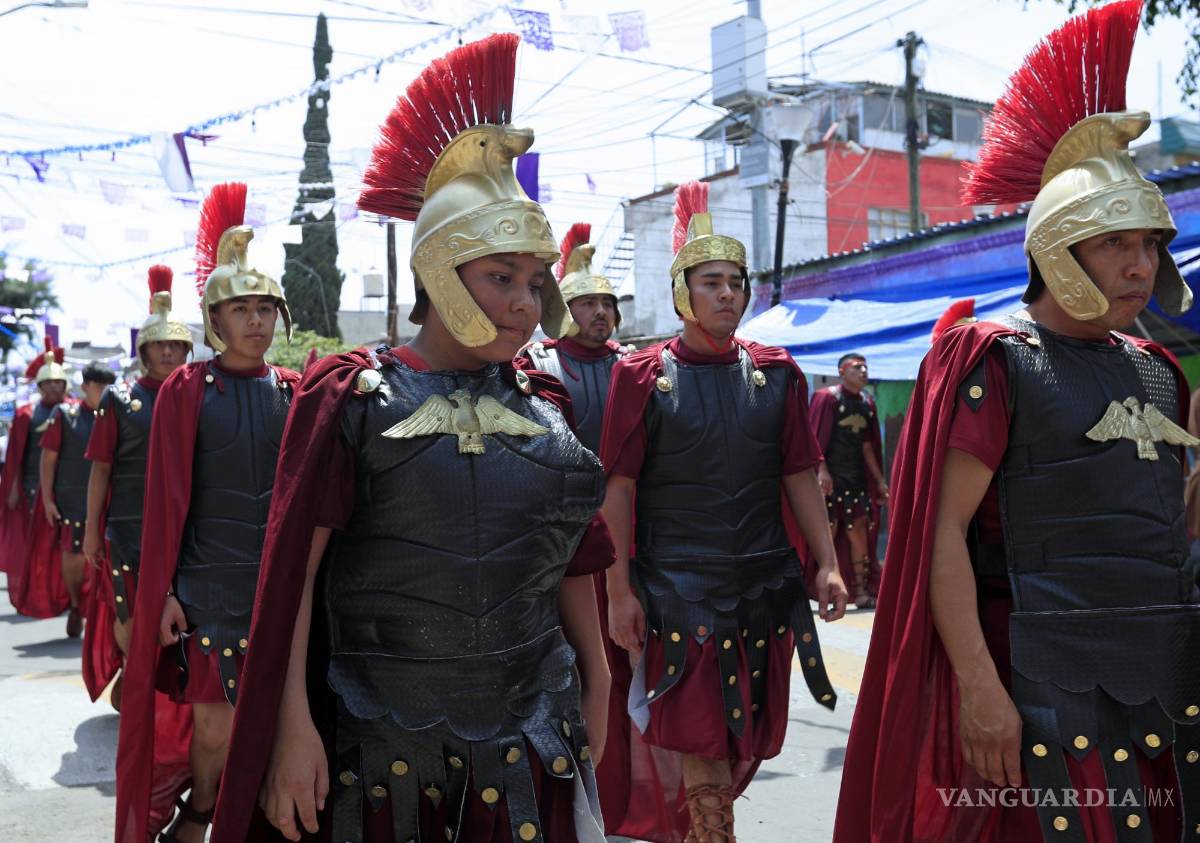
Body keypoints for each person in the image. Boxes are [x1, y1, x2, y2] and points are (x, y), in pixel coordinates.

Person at [210, 33, 614, 843]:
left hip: (534, 731)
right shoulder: (351, 396)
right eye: (501, 278)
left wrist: (599, 677)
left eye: (533, 282)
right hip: (379, 741)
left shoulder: (546, 405)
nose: (526, 304)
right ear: (438, 270)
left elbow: (569, 561)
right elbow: (294, 583)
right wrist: (291, 723)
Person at [834, 2, 1200, 840]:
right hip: (1033, 673)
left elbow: (1158, 533)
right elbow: (941, 537)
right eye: (1116, 243)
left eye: (1149, 242)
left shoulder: (1159, 370)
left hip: (1159, 672)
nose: (1141, 263)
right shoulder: (995, 360)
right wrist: (978, 686)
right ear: (1057, 250)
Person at [596, 179, 847, 843]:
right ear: (683, 291)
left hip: (764, 588)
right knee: (703, 732)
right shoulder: (642, 375)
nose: (728, 293)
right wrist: (619, 590)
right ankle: (714, 832)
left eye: (736, 281)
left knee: (746, 738)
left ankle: (709, 821)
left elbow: (798, 473)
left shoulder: (779, 372)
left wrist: (826, 563)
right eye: (711, 282)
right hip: (678, 589)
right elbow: (617, 488)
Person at [115, 182, 297, 843]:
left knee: (277, 720)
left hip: (275, 588)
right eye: (241, 309)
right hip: (207, 590)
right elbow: (164, 505)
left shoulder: (295, 392)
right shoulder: (189, 390)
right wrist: (160, 593)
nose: (255, 321)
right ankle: (197, 819)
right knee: (216, 728)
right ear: (216, 321)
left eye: (264, 308)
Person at [82, 264, 192, 706]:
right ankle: (136, 689)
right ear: (145, 350)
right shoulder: (119, 399)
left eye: (176, 344)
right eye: (160, 344)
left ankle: (163, 702)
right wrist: (92, 529)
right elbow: (100, 469)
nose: (168, 352)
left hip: (185, 534)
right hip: (126, 533)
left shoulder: (198, 394)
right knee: (129, 622)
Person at [516, 222, 631, 454]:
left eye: (607, 303)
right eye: (588, 303)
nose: (600, 311)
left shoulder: (631, 363)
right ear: (564, 310)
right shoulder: (534, 363)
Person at [39, 362, 114, 637]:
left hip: (110, 499)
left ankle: (99, 614)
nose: (104, 390)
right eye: (98, 385)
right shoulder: (65, 415)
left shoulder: (118, 413)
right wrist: (47, 499)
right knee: (73, 555)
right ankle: (74, 603)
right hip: (71, 498)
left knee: (106, 560)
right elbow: (48, 458)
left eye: (108, 385)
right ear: (85, 387)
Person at [811, 352, 886, 608]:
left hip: (856, 481)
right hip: (830, 481)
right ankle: (827, 589)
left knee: (859, 534)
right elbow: (815, 438)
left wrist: (879, 481)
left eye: (865, 366)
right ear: (842, 371)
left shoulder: (867, 402)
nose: (863, 371)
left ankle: (861, 590)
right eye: (857, 367)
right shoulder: (827, 398)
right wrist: (821, 471)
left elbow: (868, 447)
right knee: (827, 534)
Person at [2, 337, 70, 619]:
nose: (55, 387)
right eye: (49, 383)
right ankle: (38, 589)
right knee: (38, 542)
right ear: (40, 386)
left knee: (64, 543)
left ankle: (65, 592)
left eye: (59, 383)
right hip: (32, 486)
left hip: (67, 486)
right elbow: (17, 456)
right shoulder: (26, 414)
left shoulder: (74, 410)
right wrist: (15, 488)